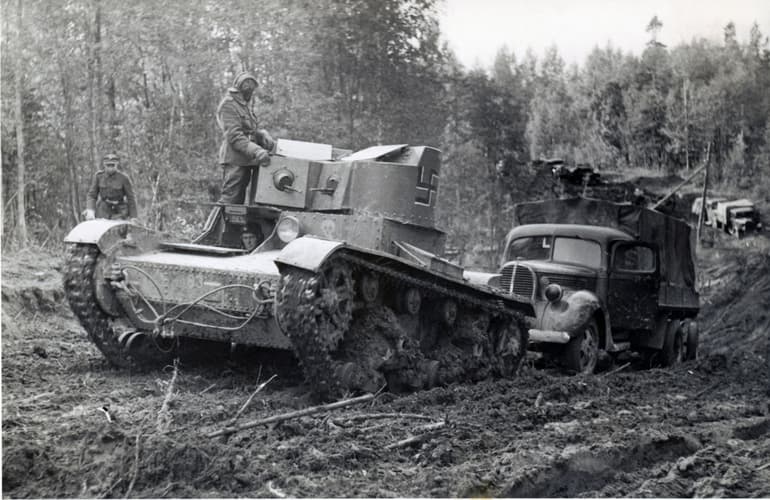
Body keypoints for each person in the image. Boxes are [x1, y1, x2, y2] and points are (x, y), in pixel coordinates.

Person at [217, 71, 276, 205]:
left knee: (255, 203)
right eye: (247, 86)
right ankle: (214, 226)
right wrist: (256, 151)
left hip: (248, 160)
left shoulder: (244, 105)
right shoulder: (228, 104)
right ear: (240, 87)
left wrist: (261, 134)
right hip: (235, 160)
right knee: (230, 202)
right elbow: (235, 136)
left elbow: (249, 130)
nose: (250, 89)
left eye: (252, 87)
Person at [85, 152, 137, 221]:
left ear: (117, 165)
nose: (110, 168)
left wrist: (133, 217)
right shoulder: (99, 177)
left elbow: (131, 198)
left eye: (113, 165)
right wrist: (90, 210)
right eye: (108, 165)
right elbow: (92, 195)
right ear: (104, 165)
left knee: (118, 228)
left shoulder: (123, 178)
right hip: (103, 210)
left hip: (119, 210)